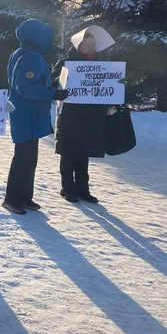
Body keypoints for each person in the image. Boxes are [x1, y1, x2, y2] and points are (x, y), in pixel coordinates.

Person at [3, 18, 69, 215]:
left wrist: (53, 85)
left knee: (28, 158)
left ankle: (24, 197)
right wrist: (52, 94)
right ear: (37, 37)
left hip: (28, 115)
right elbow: (24, 87)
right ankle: (13, 199)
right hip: (27, 115)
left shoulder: (24, 53)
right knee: (24, 158)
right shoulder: (31, 56)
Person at [53, 28, 114, 203]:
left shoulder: (102, 63)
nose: (90, 48)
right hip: (70, 114)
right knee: (68, 152)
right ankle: (67, 188)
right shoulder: (65, 62)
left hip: (91, 116)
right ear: (78, 45)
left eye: (93, 44)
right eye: (86, 45)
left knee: (83, 154)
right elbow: (54, 82)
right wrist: (61, 83)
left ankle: (83, 189)